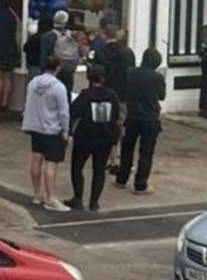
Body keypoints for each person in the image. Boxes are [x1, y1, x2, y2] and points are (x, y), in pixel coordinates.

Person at [66, 65, 122, 212]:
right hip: (104, 137)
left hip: (85, 137)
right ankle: (94, 202)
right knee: (99, 170)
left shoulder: (86, 95)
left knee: (77, 167)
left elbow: (74, 112)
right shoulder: (112, 95)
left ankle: (78, 198)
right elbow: (116, 117)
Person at [21, 56, 72, 212]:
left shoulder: (33, 83)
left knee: (36, 159)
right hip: (52, 129)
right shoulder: (59, 87)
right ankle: (51, 198)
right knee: (51, 164)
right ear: (57, 68)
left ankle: (37, 194)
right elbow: (64, 112)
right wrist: (65, 130)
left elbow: (28, 103)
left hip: (35, 127)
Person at [117, 49, 166, 194]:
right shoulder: (157, 77)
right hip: (150, 118)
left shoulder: (130, 73)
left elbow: (125, 91)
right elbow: (162, 96)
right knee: (146, 152)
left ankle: (122, 178)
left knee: (127, 148)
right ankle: (140, 184)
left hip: (132, 116)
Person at [96, 27, 135, 174]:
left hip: (103, 95)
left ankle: (106, 159)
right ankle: (118, 159)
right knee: (120, 127)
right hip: (122, 96)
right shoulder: (127, 53)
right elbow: (131, 74)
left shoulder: (100, 53)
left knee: (102, 126)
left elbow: (95, 74)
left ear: (104, 36)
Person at [40, 10, 81, 96]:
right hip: (68, 73)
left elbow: (43, 58)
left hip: (52, 73)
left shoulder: (47, 37)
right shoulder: (72, 35)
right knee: (66, 96)